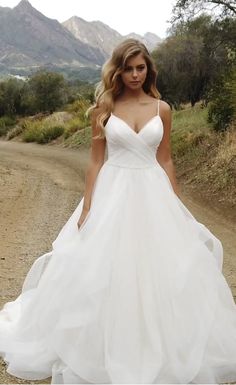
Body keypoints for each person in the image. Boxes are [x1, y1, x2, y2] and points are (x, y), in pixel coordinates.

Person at [0, 38, 236, 384]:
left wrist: (175, 203)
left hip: (153, 191)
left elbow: (166, 157)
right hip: (114, 190)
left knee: (159, 269)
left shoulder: (162, 109)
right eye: (128, 68)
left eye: (141, 67)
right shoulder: (104, 109)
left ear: (149, 69)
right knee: (104, 268)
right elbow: (95, 163)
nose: (135, 74)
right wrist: (88, 207)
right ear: (118, 70)